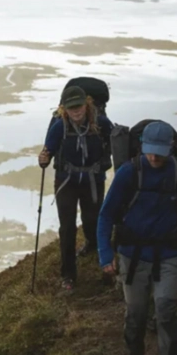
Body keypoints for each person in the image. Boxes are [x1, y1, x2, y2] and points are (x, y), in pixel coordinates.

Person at [96, 120, 177, 355]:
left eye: (159, 152)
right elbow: (106, 215)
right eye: (149, 151)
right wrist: (106, 255)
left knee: (166, 311)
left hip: (168, 255)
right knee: (136, 313)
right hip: (132, 256)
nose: (154, 157)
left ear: (171, 148)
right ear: (142, 146)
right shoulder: (127, 174)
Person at [38, 84, 117, 294]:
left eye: (79, 106)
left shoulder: (100, 122)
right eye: (71, 108)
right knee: (67, 228)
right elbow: (47, 152)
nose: (76, 111)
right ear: (64, 108)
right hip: (67, 182)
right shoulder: (59, 126)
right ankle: (68, 275)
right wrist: (43, 159)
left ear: (87, 104)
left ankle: (94, 247)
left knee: (94, 220)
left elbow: (115, 140)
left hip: (92, 179)